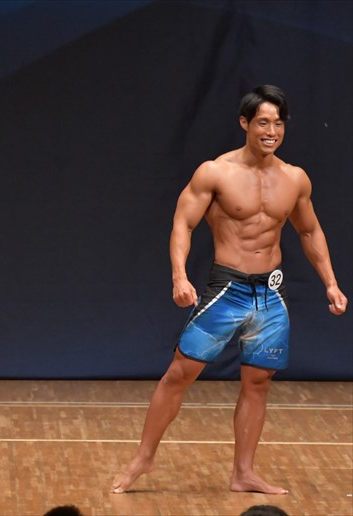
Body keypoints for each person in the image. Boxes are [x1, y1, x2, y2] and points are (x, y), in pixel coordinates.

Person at [111, 85, 347, 495]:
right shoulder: (215, 172)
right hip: (228, 290)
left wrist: (331, 282)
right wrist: (179, 276)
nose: (271, 131)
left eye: (278, 124)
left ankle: (243, 473)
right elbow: (183, 224)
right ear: (245, 123)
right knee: (180, 373)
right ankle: (143, 459)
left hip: (270, 294)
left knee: (258, 382)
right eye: (263, 123)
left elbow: (309, 231)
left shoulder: (295, 178)